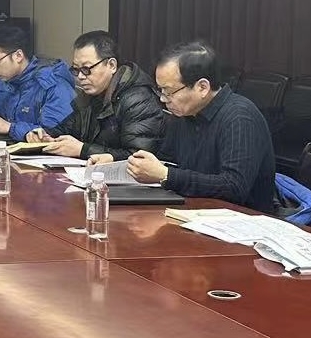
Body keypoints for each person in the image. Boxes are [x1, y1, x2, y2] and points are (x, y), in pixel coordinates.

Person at [107, 39, 276, 212]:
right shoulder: (184, 114)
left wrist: (166, 175)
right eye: (160, 90)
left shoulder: (239, 117)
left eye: (169, 91)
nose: (163, 99)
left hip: (241, 218)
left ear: (202, 87)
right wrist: (120, 162)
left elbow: (234, 187)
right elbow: (168, 162)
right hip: (191, 210)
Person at [28, 30, 163, 160]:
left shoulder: (138, 99)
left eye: (86, 69)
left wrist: (83, 150)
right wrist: (46, 136)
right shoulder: (90, 95)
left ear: (111, 65)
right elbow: (66, 130)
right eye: (76, 69)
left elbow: (138, 156)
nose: (80, 77)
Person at [0, 24, 76, 141]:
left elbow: (53, 134)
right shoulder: (11, 80)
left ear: (18, 56)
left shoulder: (52, 83)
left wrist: (10, 128)